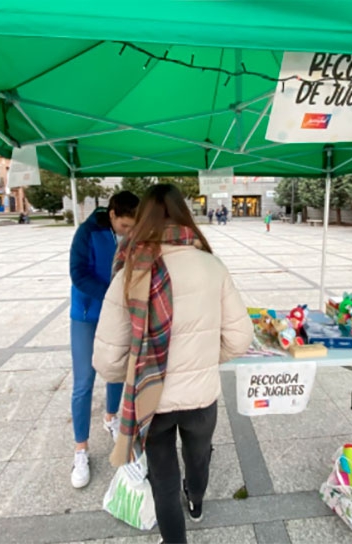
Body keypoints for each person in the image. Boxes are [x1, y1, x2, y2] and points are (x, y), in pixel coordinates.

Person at [93, 184, 252, 544]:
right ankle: (196, 501)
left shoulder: (130, 270)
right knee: (198, 459)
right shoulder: (212, 266)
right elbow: (240, 339)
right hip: (200, 398)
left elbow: (106, 360)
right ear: (185, 215)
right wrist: (205, 361)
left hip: (151, 402)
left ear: (143, 218)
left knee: (162, 481)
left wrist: (137, 370)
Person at [68, 190, 139, 489]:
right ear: (112, 214)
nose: (128, 232)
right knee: (84, 382)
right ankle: (81, 449)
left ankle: (111, 418)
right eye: (125, 227)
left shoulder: (133, 233)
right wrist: (110, 293)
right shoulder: (87, 232)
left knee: (115, 371)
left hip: (116, 315)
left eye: (132, 228)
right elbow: (78, 274)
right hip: (87, 315)